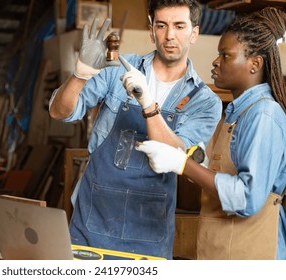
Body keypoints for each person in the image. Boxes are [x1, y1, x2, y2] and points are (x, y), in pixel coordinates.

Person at [49, 0, 222, 260]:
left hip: (149, 230)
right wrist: (80, 74)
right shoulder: (118, 68)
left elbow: (179, 157)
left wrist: (148, 103)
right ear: (152, 30)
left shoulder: (205, 101)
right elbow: (59, 112)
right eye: (161, 25)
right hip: (94, 217)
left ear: (194, 33)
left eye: (179, 26)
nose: (170, 35)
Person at [136, 7, 286, 260]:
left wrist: (183, 164)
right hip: (225, 251)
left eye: (225, 55)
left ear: (255, 64)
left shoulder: (263, 115)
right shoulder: (235, 113)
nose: (215, 61)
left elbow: (247, 197)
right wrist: (198, 160)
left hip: (254, 255)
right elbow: (225, 174)